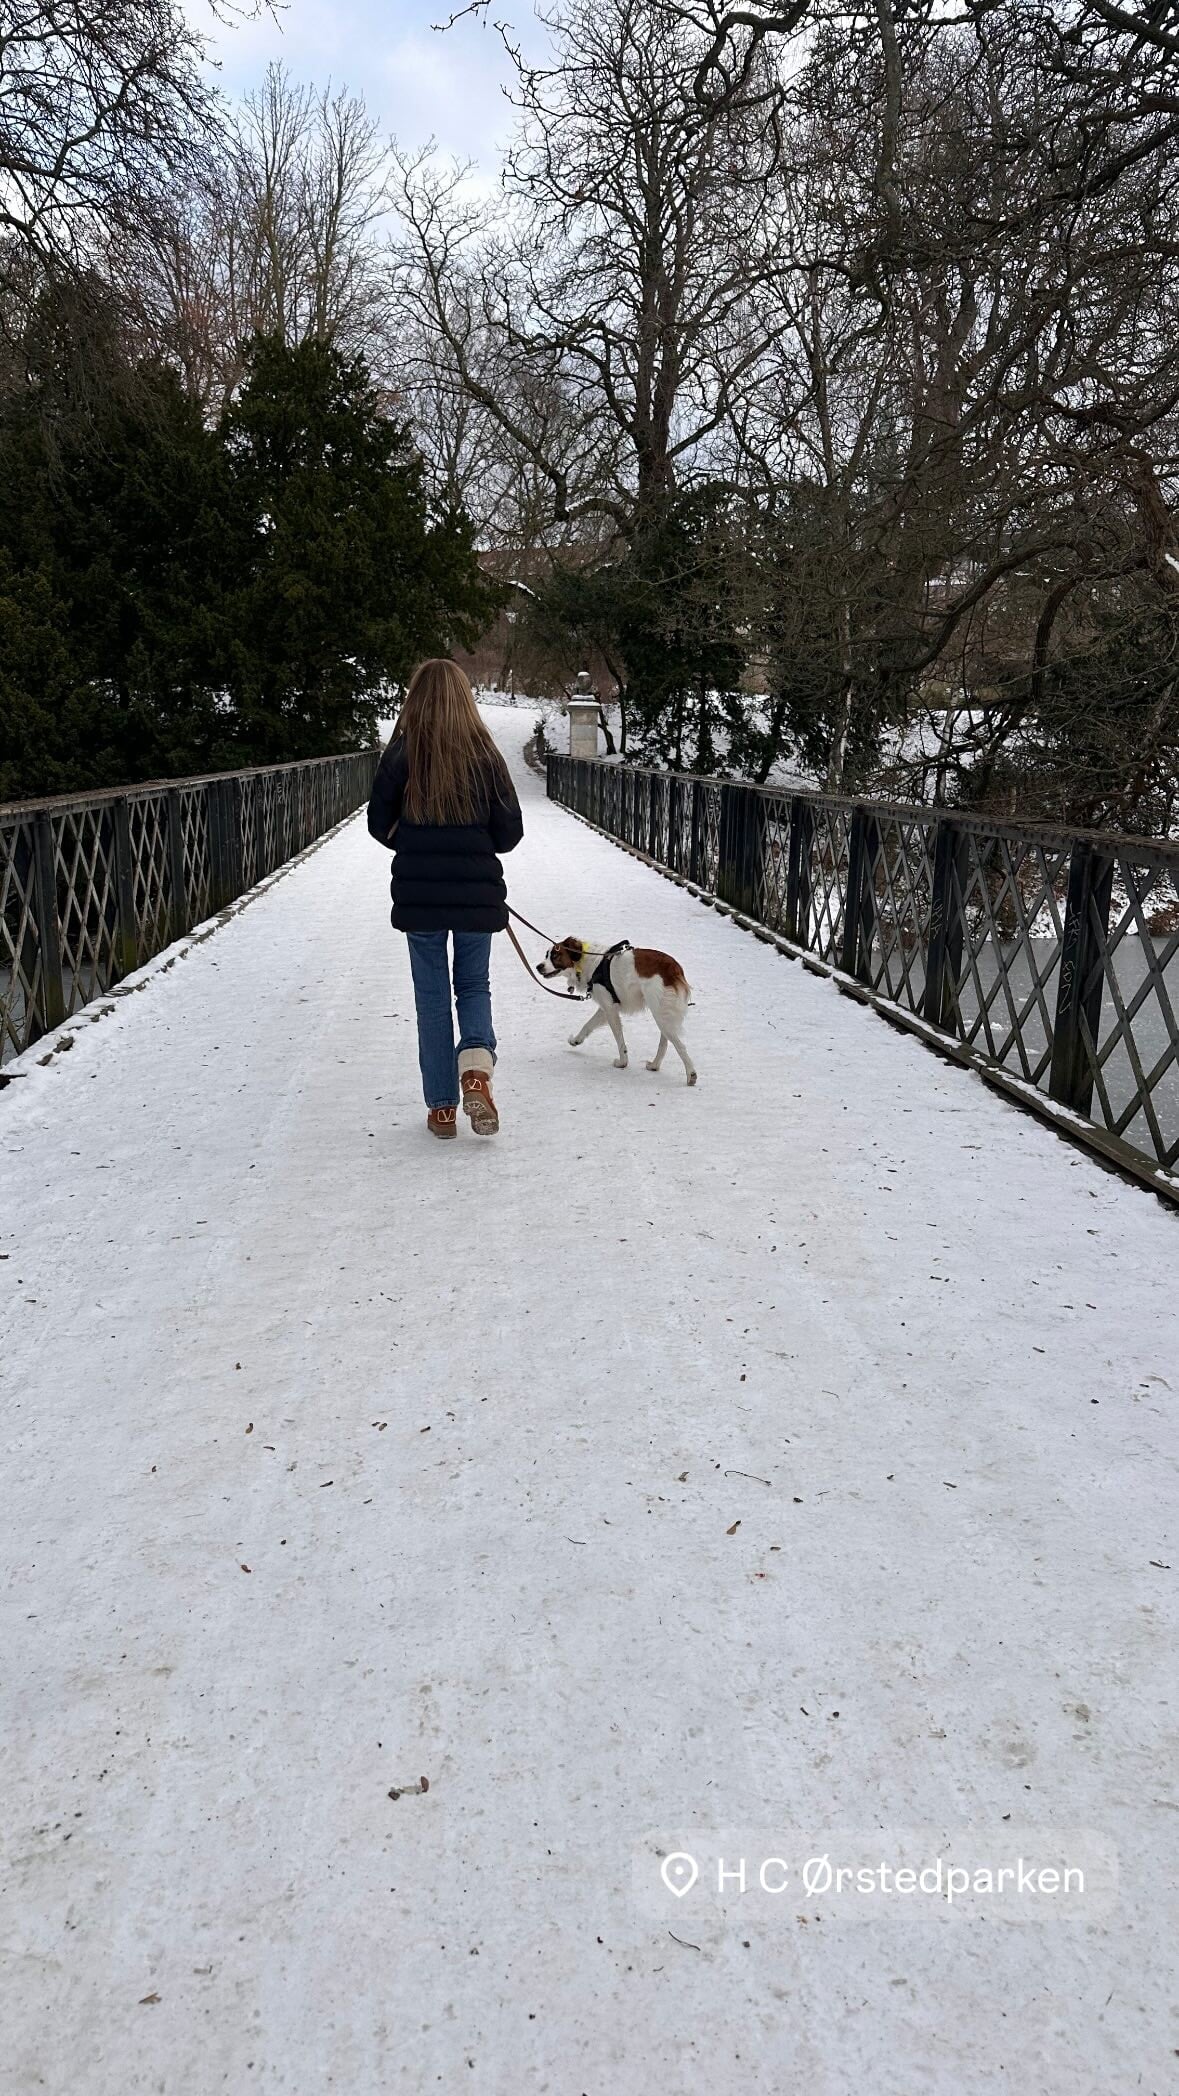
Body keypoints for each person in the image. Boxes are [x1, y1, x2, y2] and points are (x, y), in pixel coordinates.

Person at [367, 659, 523, 1140]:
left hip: (419, 895)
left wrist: (415, 843)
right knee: (473, 985)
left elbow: (377, 824)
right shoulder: (485, 755)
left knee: (431, 997)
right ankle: (475, 1072)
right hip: (476, 894)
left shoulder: (401, 753)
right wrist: (471, 843)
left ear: (416, 698)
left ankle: (441, 1109)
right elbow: (509, 833)